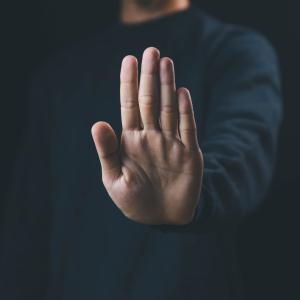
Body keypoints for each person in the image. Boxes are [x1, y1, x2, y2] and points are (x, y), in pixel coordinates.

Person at [0, 0, 283, 299]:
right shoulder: (57, 76)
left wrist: (197, 195)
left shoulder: (236, 51)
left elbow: (244, 152)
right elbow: (26, 232)